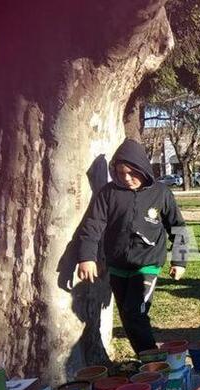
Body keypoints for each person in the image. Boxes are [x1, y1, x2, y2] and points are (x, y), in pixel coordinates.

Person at [76, 138, 188, 354]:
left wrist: (180, 260)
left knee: (134, 312)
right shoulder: (108, 193)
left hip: (147, 264)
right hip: (117, 265)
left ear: (143, 169)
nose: (126, 178)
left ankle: (154, 362)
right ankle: (147, 360)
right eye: (120, 173)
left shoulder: (161, 193)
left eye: (132, 173)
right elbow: (93, 224)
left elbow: (178, 226)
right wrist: (86, 257)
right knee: (128, 316)